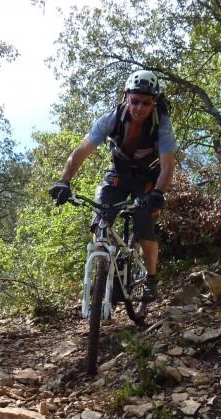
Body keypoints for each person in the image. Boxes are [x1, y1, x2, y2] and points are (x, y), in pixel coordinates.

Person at [48, 70, 177, 303]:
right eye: (135, 101)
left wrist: (158, 192)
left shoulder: (162, 124)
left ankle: (150, 278)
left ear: (154, 103)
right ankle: (103, 274)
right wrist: (63, 181)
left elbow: (168, 165)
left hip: (148, 178)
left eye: (146, 103)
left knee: (144, 228)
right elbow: (80, 151)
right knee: (100, 220)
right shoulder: (112, 118)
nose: (139, 108)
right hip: (117, 175)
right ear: (126, 97)